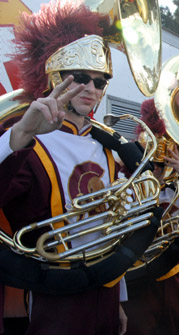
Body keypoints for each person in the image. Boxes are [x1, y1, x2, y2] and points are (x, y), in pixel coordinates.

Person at [0, 2, 156, 334]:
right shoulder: (27, 140)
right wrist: (19, 136)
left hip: (106, 288)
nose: (91, 89)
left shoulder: (108, 145)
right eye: (81, 78)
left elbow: (111, 227)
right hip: (55, 294)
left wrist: (120, 298)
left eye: (101, 82)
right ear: (55, 76)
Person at [122, 98, 179, 335]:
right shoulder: (126, 186)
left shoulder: (176, 188)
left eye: (161, 164)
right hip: (137, 279)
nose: (156, 170)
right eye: (151, 164)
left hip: (171, 274)